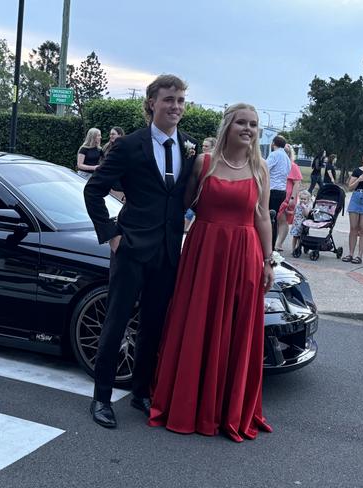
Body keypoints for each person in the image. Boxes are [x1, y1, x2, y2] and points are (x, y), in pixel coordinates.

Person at [149, 103, 274, 442]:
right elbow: (182, 204)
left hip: (244, 254)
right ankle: (190, 404)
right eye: (241, 123)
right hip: (204, 252)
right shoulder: (204, 163)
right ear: (228, 126)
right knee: (197, 324)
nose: (248, 129)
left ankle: (225, 411)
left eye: (253, 124)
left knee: (235, 329)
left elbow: (262, 216)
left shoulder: (259, 167)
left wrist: (269, 260)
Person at [84, 74, 198, 429]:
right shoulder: (130, 145)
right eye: (168, 99)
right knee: (116, 322)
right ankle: (101, 397)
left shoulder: (189, 148)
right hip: (131, 249)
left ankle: (140, 391)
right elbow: (94, 190)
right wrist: (113, 237)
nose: (175, 106)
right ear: (152, 103)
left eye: (180, 100)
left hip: (167, 251)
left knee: (154, 324)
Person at [184, 137, 216, 232]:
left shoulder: (216, 162)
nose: (203, 148)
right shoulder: (200, 159)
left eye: (206, 146)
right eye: (203, 146)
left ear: (213, 147)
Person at [275, 144, 303, 251]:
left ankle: (278, 243)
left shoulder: (293, 166)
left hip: (288, 197)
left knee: (282, 220)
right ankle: (276, 242)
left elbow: (297, 183)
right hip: (277, 194)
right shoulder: (277, 165)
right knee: (277, 220)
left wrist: (292, 198)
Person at [266, 135, 291, 248]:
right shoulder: (286, 157)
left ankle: (266, 244)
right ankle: (272, 245)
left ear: (273, 143)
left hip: (272, 189)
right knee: (274, 219)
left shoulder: (274, 154)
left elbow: (265, 168)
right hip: (282, 190)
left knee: (266, 217)